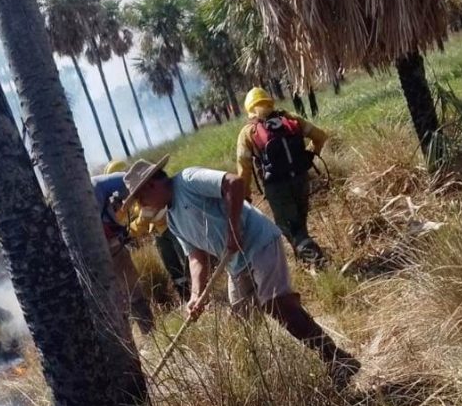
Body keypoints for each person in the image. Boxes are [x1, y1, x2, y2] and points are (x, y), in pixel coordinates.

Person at [122, 156, 360, 384]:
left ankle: (337, 360)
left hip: (258, 242)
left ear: (151, 185)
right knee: (243, 327)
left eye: (141, 199)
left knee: (277, 304)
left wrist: (233, 229)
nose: (142, 206)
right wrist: (195, 295)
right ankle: (273, 382)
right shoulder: (173, 220)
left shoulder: (188, 180)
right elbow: (196, 257)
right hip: (235, 264)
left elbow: (233, 183)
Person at [236, 87, 330, 271]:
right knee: (300, 222)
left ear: (249, 110)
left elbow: (244, 168)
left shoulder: (247, 133)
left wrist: (245, 196)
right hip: (301, 179)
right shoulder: (291, 119)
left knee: (289, 228)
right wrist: (309, 156)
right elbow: (321, 136)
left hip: (276, 188)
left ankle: (319, 263)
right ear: (270, 102)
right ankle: (306, 263)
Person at [104, 161, 190, 301]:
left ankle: (198, 290)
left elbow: (144, 218)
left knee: (186, 260)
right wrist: (116, 209)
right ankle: (185, 295)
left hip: (171, 228)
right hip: (159, 232)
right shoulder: (136, 197)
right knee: (172, 267)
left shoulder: (146, 194)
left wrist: (125, 233)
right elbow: (125, 215)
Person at [91, 165, 156, 334]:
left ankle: (125, 337)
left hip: (87, 257)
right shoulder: (96, 184)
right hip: (112, 246)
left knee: (109, 299)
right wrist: (123, 197)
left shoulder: (58, 200)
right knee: (132, 289)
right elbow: (126, 178)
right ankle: (149, 331)